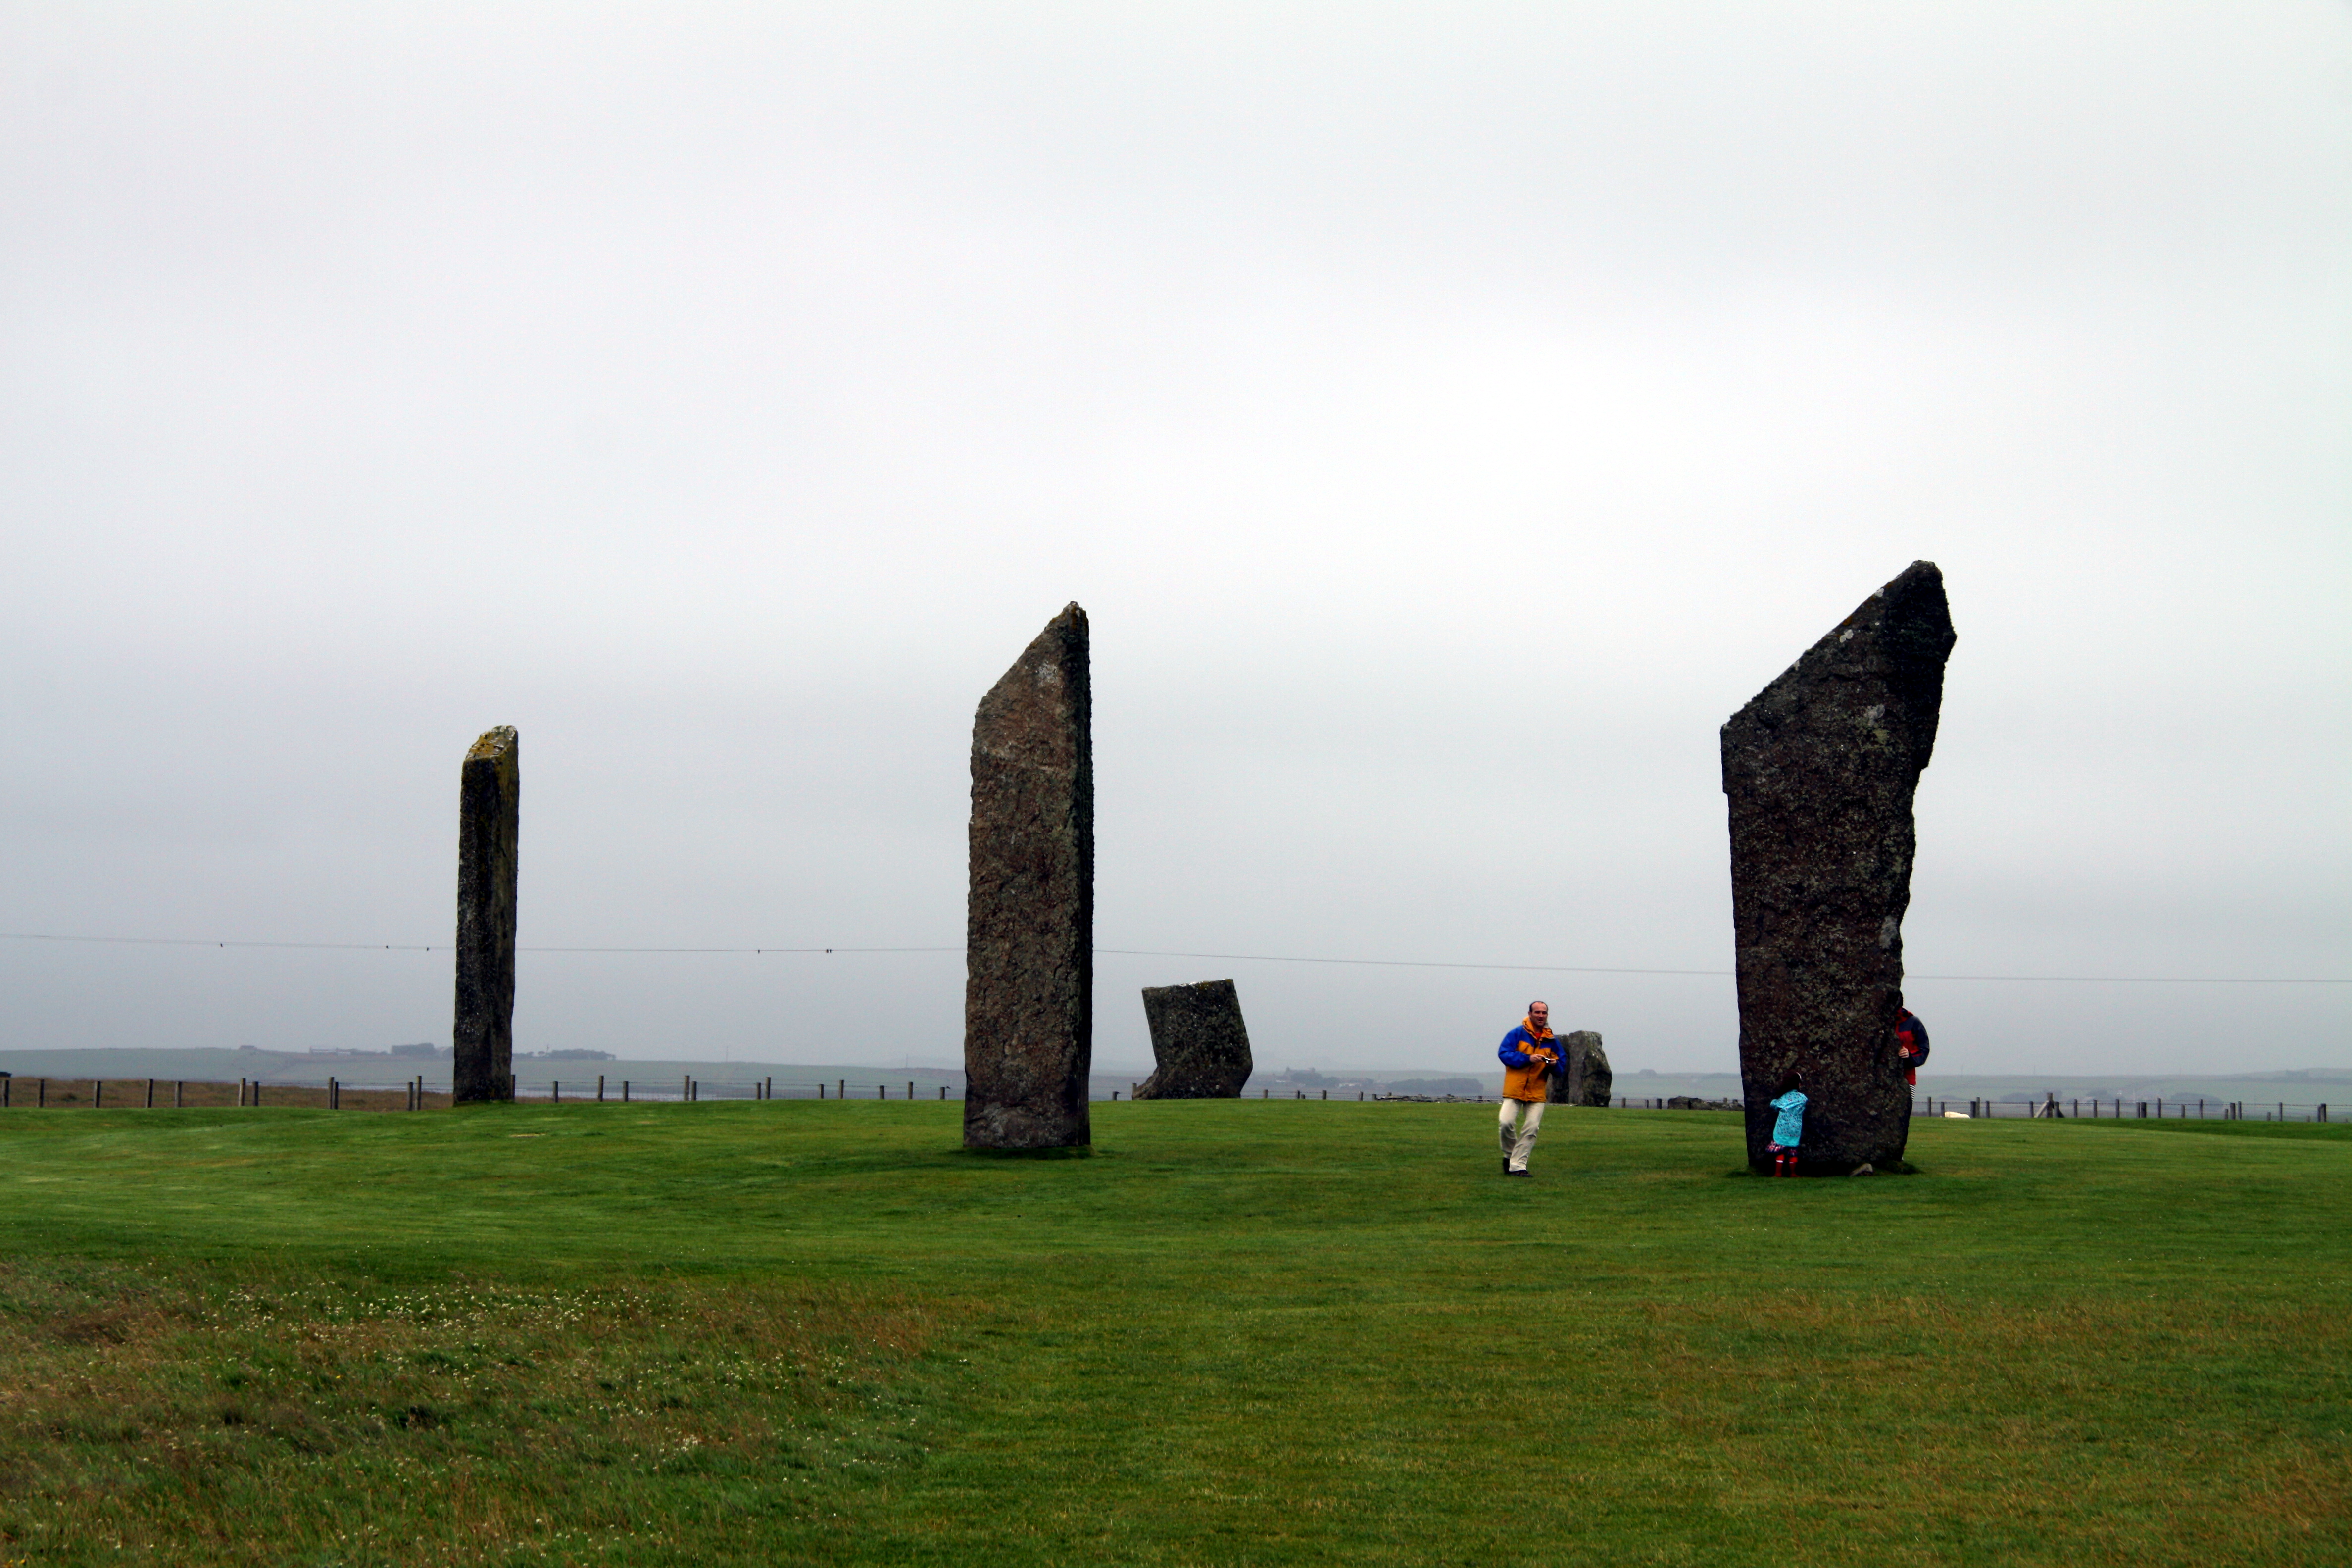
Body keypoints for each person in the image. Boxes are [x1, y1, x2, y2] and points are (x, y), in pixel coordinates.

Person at [1495, 1002, 1563, 1177]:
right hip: (1515, 1088)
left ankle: (1518, 1167)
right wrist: (1528, 1058)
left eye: (1544, 1013)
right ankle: (1509, 1156)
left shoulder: (1552, 1040)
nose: (1541, 1016)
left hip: (1537, 1091)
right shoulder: (1517, 1033)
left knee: (1531, 1128)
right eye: (1537, 1012)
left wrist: (1555, 1064)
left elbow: (1562, 1065)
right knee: (1506, 1123)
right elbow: (1504, 1054)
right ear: (1530, 1014)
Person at [1766, 1070, 1806, 1177]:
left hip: (1782, 1128)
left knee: (1780, 1151)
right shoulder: (1802, 1098)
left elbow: (1775, 1105)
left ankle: (1778, 1173)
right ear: (1798, 1084)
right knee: (1793, 1151)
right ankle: (1793, 1173)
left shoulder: (1784, 1098)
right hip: (1796, 1129)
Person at [1894, 996, 1930, 1087]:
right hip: (1879, 1079)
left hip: (1907, 1078)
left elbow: (1924, 1049)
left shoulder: (1913, 1022)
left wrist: (1909, 1055)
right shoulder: (1878, 1023)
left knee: (1906, 1101)